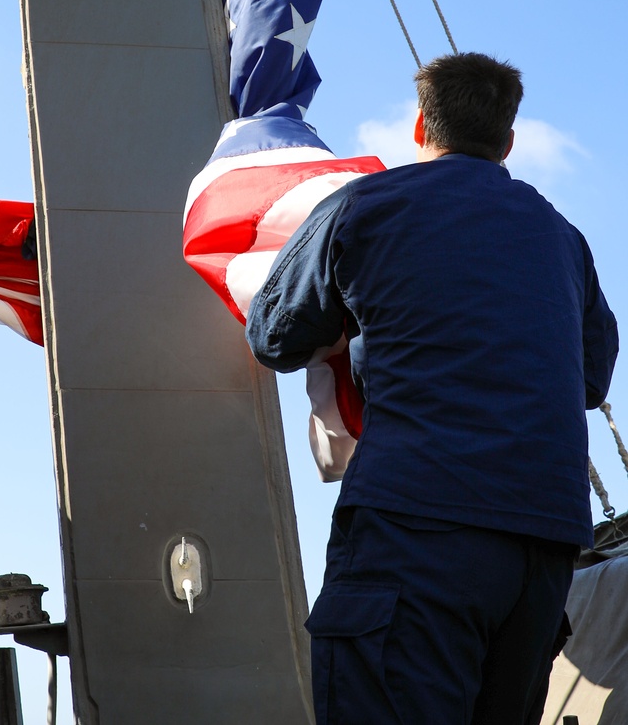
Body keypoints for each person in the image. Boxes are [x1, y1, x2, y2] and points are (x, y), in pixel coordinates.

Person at [246, 51, 618, 725]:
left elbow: (274, 336)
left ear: (420, 125)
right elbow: (589, 381)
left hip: (417, 527)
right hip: (543, 551)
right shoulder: (566, 241)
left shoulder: (364, 207)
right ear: (507, 142)